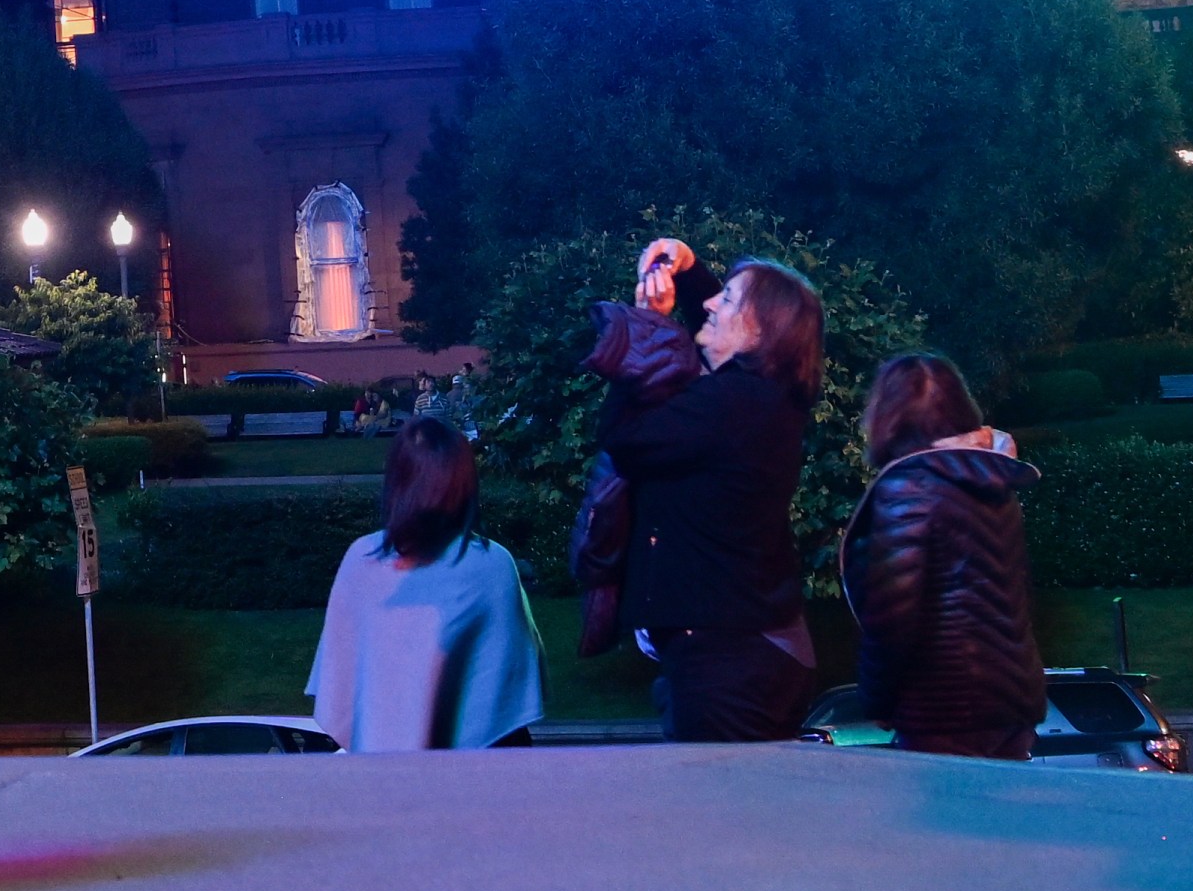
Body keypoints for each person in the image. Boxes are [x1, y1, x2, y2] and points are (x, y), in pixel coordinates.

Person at [585, 242, 826, 742]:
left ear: (762, 331)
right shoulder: (762, 397)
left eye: (729, 300)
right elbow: (711, 317)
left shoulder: (733, 402)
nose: (713, 305)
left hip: (728, 661)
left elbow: (626, 440)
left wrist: (645, 327)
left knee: (721, 815)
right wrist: (691, 270)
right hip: (742, 649)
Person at [841, 352, 1046, 762]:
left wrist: (877, 699)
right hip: (1010, 700)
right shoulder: (992, 482)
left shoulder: (910, 488)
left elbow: (894, 614)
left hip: (943, 708)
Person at [308, 414, 543, 749]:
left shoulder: (361, 559)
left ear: (397, 480)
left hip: (386, 778)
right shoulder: (491, 563)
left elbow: (341, 690)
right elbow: (512, 683)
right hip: (477, 781)